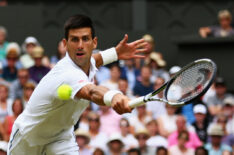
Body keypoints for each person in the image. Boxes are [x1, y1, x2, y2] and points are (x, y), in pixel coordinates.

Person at [7, 14, 147, 155]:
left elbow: (94, 60)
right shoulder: (67, 73)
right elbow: (91, 91)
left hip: (61, 136)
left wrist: (115, 53)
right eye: (74, 40)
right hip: (28, 139)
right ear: (65, 44)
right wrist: (114, 96)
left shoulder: (86, 62)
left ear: (94, 43)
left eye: (85, 39)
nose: (80, 46)